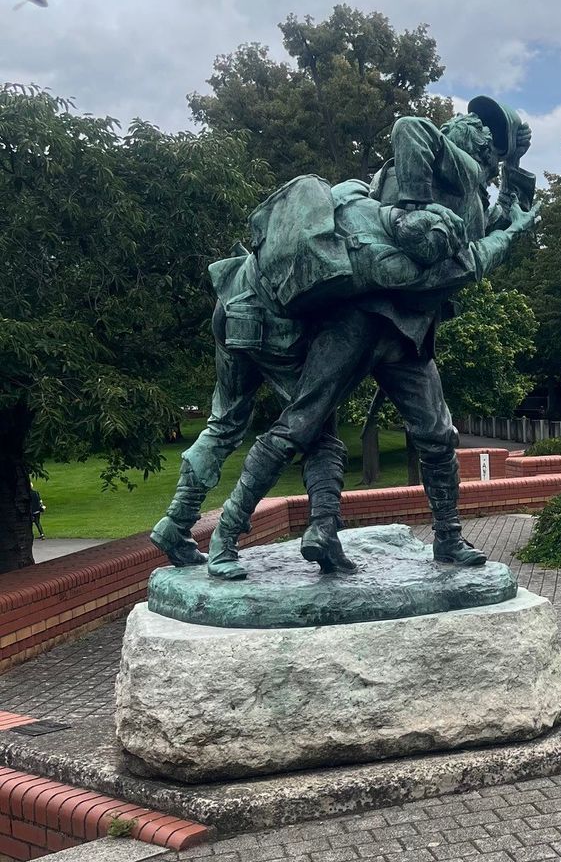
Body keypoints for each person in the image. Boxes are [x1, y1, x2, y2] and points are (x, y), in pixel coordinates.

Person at [202, 99, 539, 580]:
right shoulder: (418, 171)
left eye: (488, 132)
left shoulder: (466, 194)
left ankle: (446, 537)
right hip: (362, 319)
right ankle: (225, 535)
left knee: (438, 434)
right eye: (473, 123)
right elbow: (457, 266)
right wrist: (426, 214)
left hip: (407, 333)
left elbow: (489, 229)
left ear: (490, 157)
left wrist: (514, 177)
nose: (474, 126)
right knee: (301, 423)